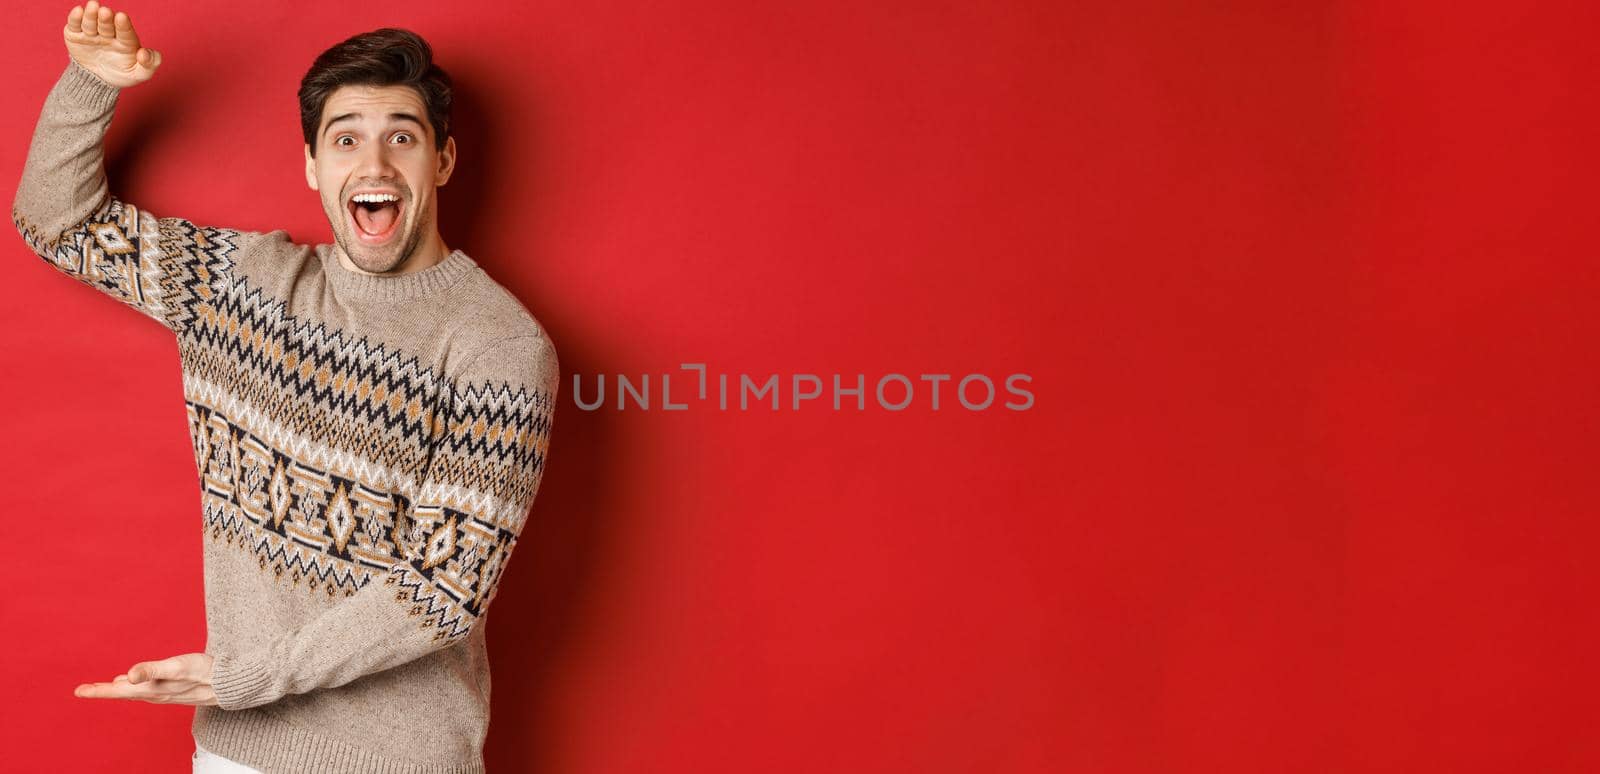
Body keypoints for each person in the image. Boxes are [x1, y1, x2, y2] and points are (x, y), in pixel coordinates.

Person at [12, 3, 561, 772]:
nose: (374, 165)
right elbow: (56, 224)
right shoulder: (240, 287)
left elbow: (443, 590)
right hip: (235, 754)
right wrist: (89, 85)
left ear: (441, 161)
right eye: (346, 140)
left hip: (397, 761)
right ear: (312, 167)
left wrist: (247, 680)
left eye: (401, 137)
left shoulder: (497, 345)